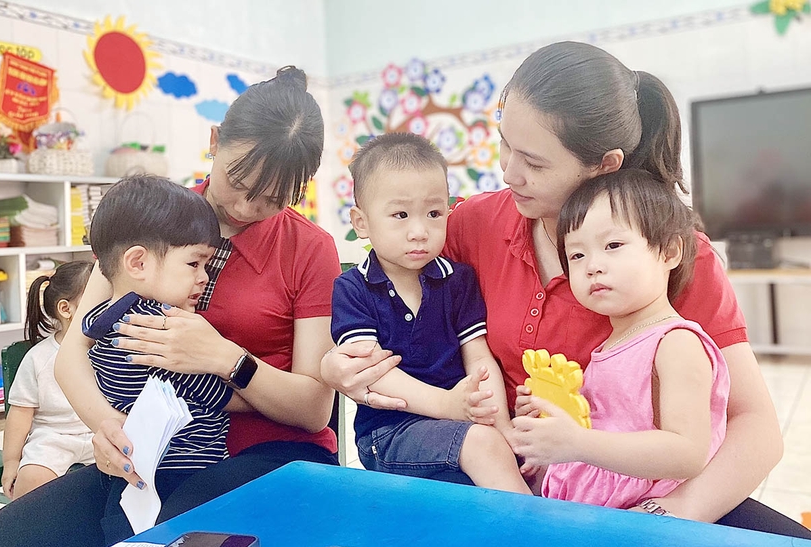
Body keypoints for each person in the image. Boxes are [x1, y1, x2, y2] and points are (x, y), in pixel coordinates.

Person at [321, 41, 810, 538]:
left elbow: (756, 427)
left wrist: (661, 518)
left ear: (604, 164)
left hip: (637, 493)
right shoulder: (472, 224)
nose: (508, 172)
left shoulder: (669, 252)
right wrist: (342, 365)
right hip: (503, 480)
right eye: (504, 142)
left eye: (533, 161)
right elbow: (389, 295)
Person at [0, 66, 340, 547]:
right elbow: (71, 354)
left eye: (272, 199)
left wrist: (225, 358)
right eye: (238, 181)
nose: (247, 208)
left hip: (270, 453)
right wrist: (108, 427)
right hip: (150, 455)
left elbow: (315, 409)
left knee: (165, 539)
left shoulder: (310, 248)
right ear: (214, 140)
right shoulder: (150, 215)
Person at [513, 169, 729, 510]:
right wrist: (548, 429)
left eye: (613, 245)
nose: (592, 266)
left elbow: (687, 453)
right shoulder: (610, 345)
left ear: (670, 252)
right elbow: (603, 429)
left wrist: (577, 443)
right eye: (577, 255)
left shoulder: (676, 343)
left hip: (635, 521)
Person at [333, 133, 529, 494]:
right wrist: (449, 404)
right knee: (483, 447)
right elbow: (373, 374)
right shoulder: (353, 288)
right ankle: (540, 532)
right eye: (400, 215)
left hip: (458, 424)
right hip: (388, 432)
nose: (419, 231)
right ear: (361, 222)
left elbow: (479, 357)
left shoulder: (458, 279)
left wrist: (502, 425)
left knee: (499, 451)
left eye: (434, 213)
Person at [82, 175, 260, 543]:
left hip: (133, 472)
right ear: (138, 263)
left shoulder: (100, 320)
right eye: (194, 263)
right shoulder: (159, 332)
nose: (204, 277)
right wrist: (254, 394)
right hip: (184, 472)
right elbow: (220, 395)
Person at [0, 261, 94, 500]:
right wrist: (11, 461)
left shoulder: (110, 350)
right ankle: (30, 530)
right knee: (31, 479)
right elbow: (20, 413)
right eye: (99, 299)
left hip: (100, 432)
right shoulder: (39, 358)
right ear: (66, 309)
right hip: (53, 438)